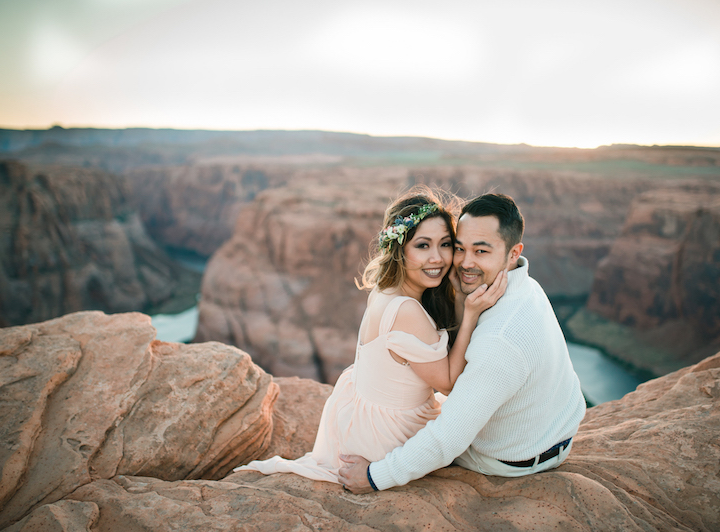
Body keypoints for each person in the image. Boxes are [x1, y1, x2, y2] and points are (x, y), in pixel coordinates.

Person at [233, 187, 506, 483]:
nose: (438, 258)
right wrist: (470, 314)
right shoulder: (407, 311)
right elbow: (450, 384)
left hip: (362, 423)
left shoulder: (385, 289)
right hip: (389, 438)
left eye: (445, 244)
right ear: (400, 249)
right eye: (423, 246)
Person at [339, 193, 586, 493]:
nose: (465, 263)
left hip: (512, 456)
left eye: (481, 251)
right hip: (553, 429)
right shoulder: (525, 284)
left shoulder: (499, 339)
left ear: (512, 253)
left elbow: (449, 438)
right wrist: (462, 306)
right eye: (459, 248)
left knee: (426, 430)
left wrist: (374, 476)